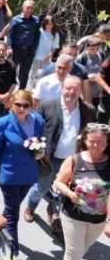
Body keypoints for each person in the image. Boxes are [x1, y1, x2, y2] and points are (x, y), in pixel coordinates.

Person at [25, 76, 95, 233]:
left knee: (69, 191)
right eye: (69, 88)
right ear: (62, 88)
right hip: (50, 158)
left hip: (74, 161)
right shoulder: (47, 105)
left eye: (76, 89)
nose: (72, 92)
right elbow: (34, 130)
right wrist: (36, 150)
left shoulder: (88, 110)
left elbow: (90, 134)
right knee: (41, 188)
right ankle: (30, 207)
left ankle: (61, 219)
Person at [53, 124, 110, 260]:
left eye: (100, 142)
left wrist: (109, 219)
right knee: (73, 251)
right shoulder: (75, 159)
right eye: (92, 141)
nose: (96, 145)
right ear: (85, 140)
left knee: (84, 246)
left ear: (107, 142)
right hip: (73, 215)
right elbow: (58, 182)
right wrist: (70, 195)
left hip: (98, 219)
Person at [0, 89, 46, 255]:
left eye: (26, 105)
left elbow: (42, 143)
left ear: (31, 106)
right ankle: (13, 252)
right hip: (10, 175)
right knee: (13, 215)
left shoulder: (38, 121)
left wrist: (42, 151)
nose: (21, 108)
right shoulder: (3, 123)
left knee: (10, 209)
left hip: (29, 174)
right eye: (18, 104)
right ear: (11, 104)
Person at [7, 0, 41, 89]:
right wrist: (9, 47)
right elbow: (10, 34)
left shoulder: (36, 20)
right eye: (27, 7)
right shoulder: (15, 19)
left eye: (31, 8)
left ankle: (21, 91)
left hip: (29, 50)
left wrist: (34, 48)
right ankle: (9, 91)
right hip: (16, 49)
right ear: (23, 8)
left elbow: (37, 35)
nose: (29, 10)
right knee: (11, 71)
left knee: (25, 73)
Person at [28, 15, 60, 90]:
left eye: (51, 24)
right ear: (45, 24)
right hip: (36, 56)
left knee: (45, 74)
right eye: (48, 24)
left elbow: (54, 47)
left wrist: (49, 56)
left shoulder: (55, 35)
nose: (50, 26)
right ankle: (29, 89)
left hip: (47, 57)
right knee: (32, 73)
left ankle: (43, 90)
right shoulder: (39, 32)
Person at [77, 36, 105, 108]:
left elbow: (105, 71)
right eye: (92, 49)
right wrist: (87, 77)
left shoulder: (101, 55)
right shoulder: (82, 58)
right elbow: (75, 75)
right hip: (86, 94)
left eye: (97, 49)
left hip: (100, 93)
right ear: (86, 47)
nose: (95, 51)